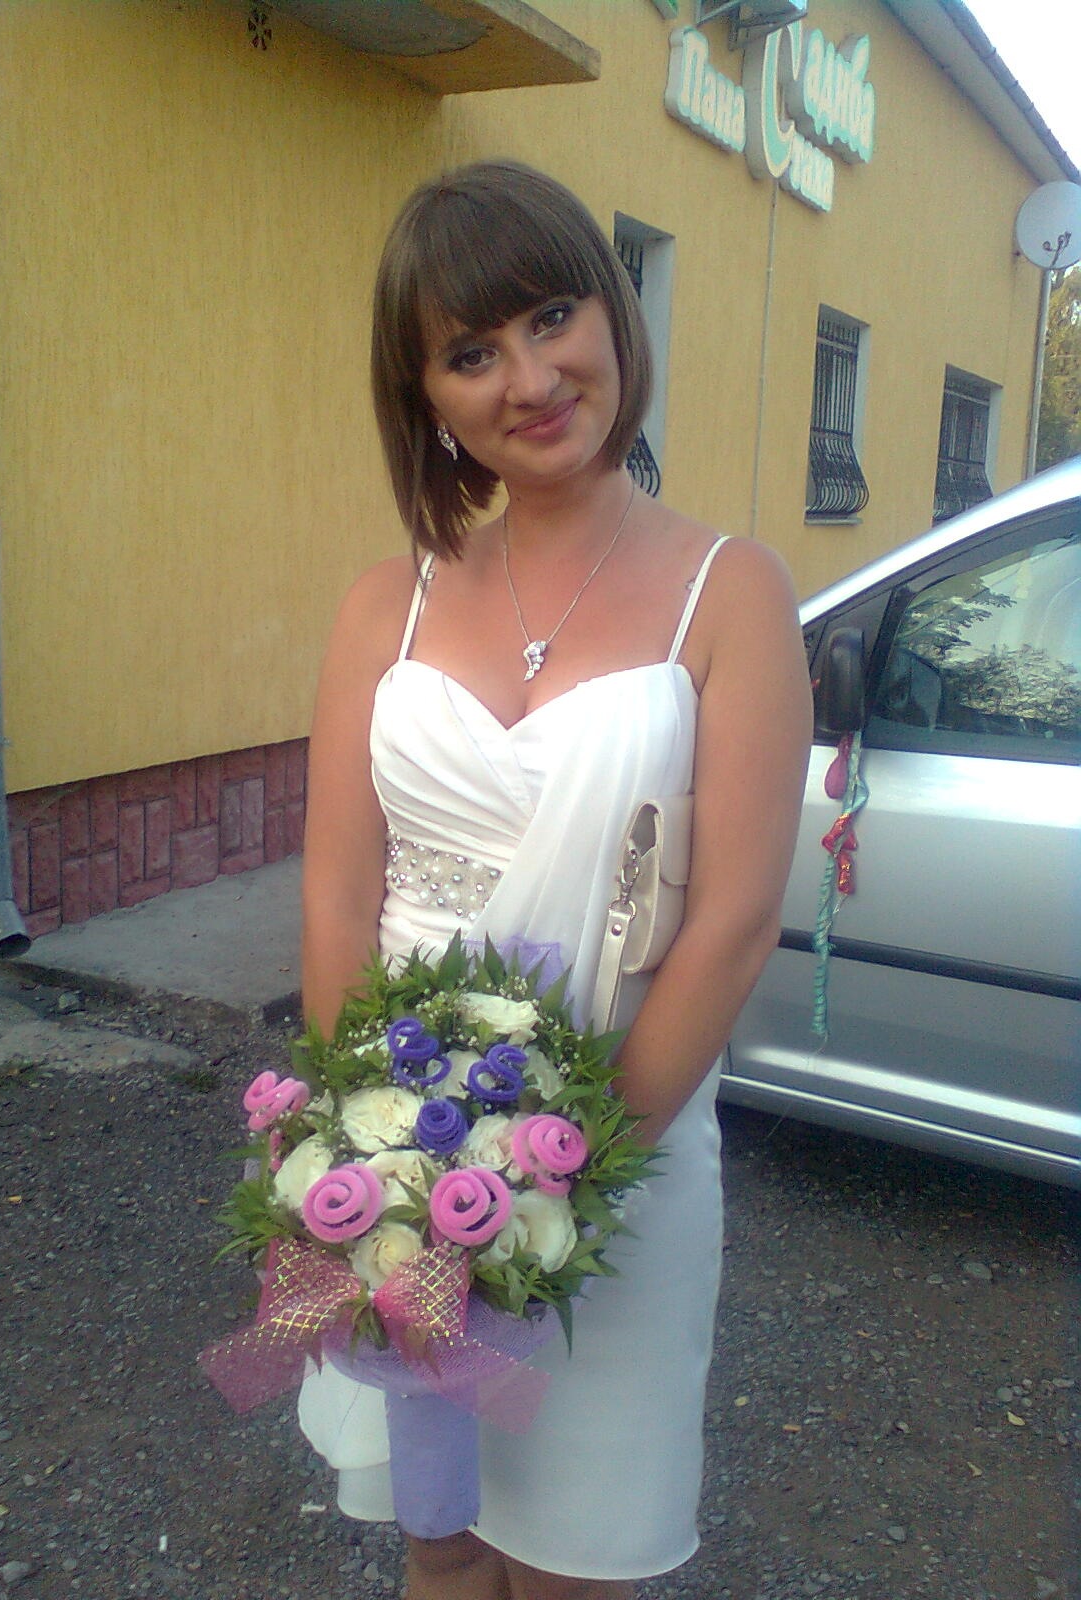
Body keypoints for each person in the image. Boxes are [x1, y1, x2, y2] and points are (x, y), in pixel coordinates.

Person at [298, 160, 811, 1600]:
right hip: (412, 1158)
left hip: (623, 1153)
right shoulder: (382, 604)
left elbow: (734, 921)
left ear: (613, 318)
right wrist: (374, 1167)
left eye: (551, 317)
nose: (529, 379)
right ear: (426, 397)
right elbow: (338, 897)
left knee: (582, 1559)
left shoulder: (734, 592)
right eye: (471, 353)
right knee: (441, 1535)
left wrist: (567, 1179)